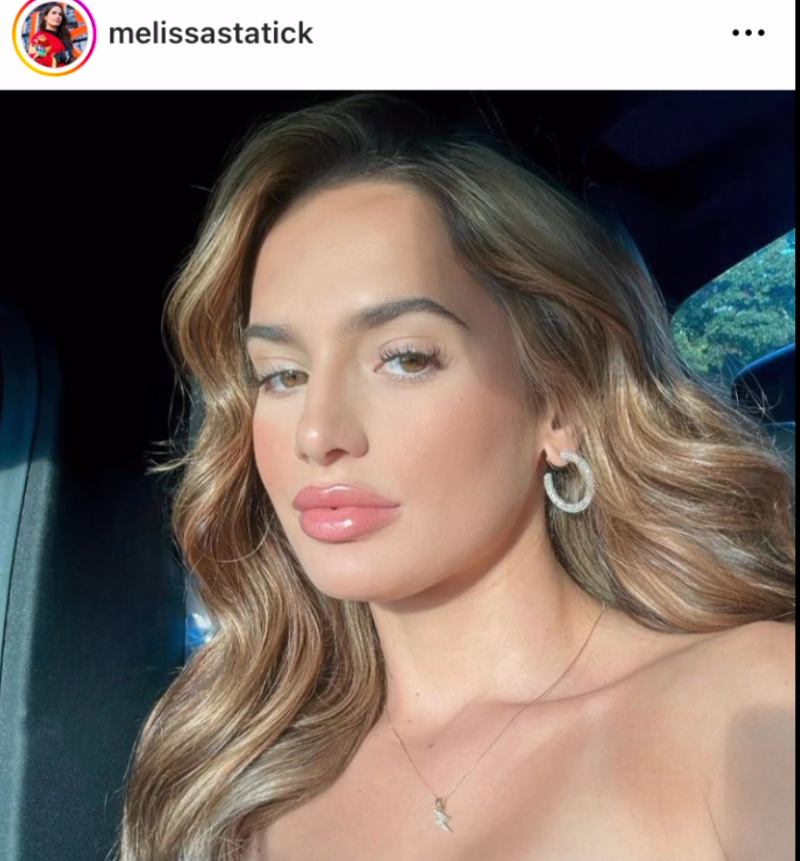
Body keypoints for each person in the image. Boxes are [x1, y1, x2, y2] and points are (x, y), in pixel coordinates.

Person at [111, 95, 795, 861]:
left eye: (405, 358)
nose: (317, 433)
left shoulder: (753, 706)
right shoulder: (224, 778)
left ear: (561, 402)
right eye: (282, 374)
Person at [27, 2, 76, 68]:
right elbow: (35, 60)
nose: (58, 16)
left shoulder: (64, 36)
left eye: (60, 14)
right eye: (54, 13)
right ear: (45, 17)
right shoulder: (41, 37)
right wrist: (57, 58)